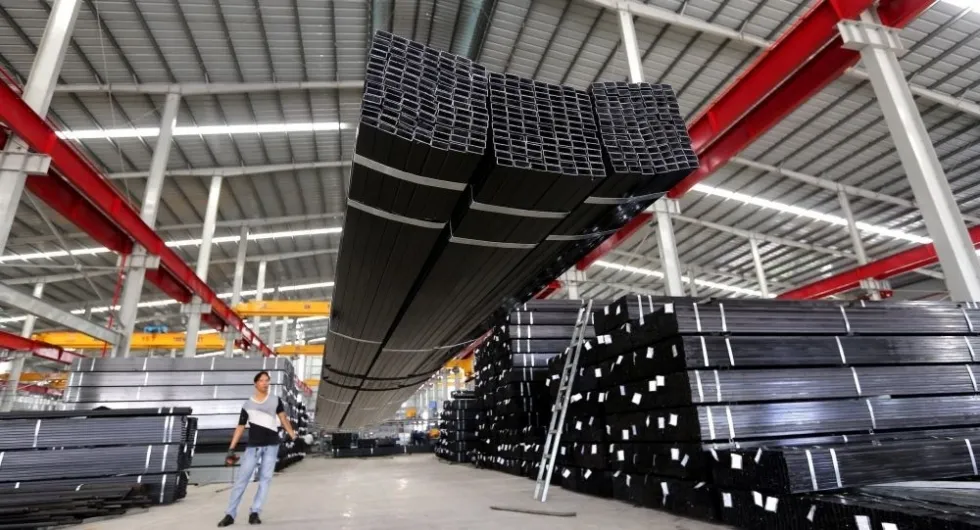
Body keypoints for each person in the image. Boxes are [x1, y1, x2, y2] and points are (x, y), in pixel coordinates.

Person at [217, 371, 297, 527]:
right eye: (262, 380)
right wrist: (231, 448)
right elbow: (240, 427)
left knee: (265, 480)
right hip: (253, 447)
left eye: (267, 380)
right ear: (255, 383)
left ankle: (255, 512)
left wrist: (293, 435)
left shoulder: (275, 400)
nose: (265, 383)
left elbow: (283, 419)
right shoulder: (248, 404)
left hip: (272, 445)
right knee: (241, 480)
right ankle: (230, 514)